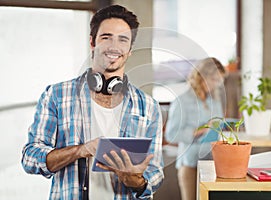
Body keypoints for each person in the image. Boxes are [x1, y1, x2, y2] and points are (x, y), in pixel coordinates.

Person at [21, 5, 164, 200]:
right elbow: (30, 158)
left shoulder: (148, 106)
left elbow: (155, 173)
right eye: (106, 37)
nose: (114, 46)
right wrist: (81, 150)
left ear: (130, 49)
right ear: (92, 42)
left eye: (123, 39)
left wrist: (134, 180)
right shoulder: (57, 95)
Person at [165, 57, 226, 200]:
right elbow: (171, 135)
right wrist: (200, 130)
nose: (216, 85)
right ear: (202, 76)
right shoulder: (182, 101)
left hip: (212, 163)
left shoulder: (214, 100)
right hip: (190, 163)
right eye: (214, 80)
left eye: (219, 81)